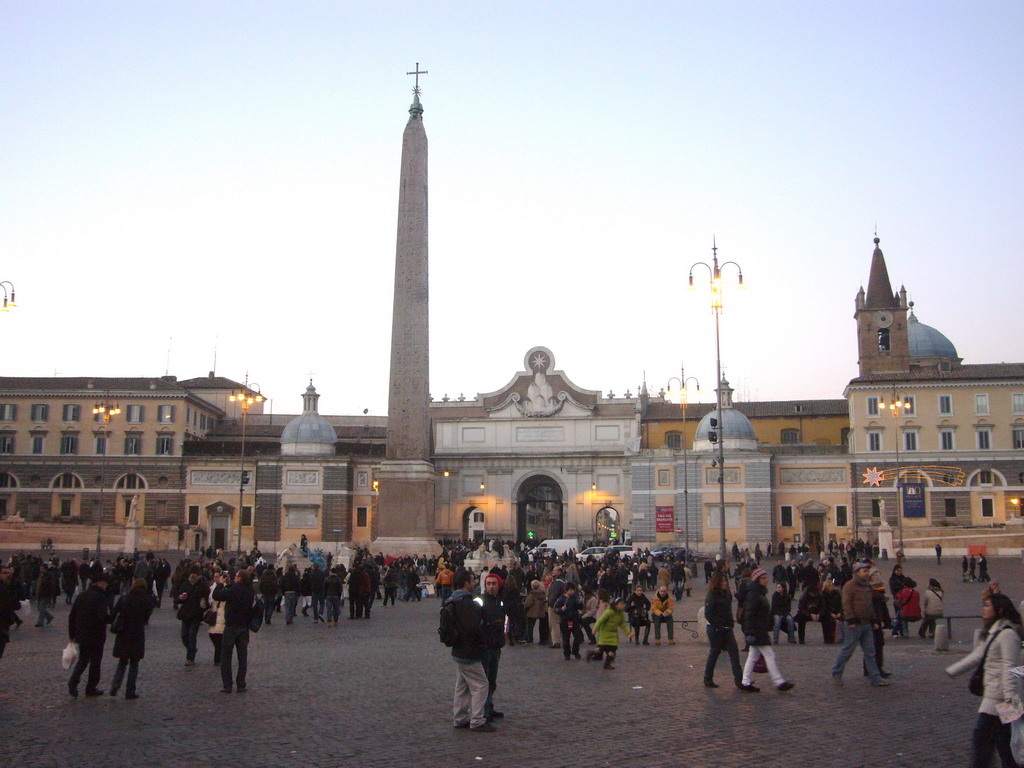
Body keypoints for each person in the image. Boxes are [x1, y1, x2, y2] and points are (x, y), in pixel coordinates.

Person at [945, 593, 1022, 768]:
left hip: (1000, 700)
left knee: (984, 743)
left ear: (999, 610)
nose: (984, 609)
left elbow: (1010, 669)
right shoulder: (995, 631)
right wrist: (953, 670)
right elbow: (978, 655)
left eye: (988, 606)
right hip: (996, 698)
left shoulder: (1007, 634)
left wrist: (1011, 703)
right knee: (1005, 747)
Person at [447, 569, 493, 732]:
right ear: (466, 583)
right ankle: (477, 720)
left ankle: (459, 717)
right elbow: (472, 628)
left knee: (463, 685)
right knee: (481, 684)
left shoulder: (452, 599)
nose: (474, 583)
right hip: (469, 650)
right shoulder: (466, 602)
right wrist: (482, 642)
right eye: (472, 580)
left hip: (458, 649)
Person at [831, 562, 890, 687]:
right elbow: (846, 604)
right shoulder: (849, 586)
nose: (867, 573)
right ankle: (836, 673)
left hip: (867, 623)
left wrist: (874, 620)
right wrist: (850, 619)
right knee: (847, 650)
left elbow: (869, 605)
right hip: (854, 624)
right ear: (857, 572)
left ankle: (875, 677)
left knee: (870, 652)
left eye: (867, 571)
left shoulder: (867, 586)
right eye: (864, 571)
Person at [739, 569, 794, 693]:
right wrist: (750, 632)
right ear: (758, 580)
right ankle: (779, 682)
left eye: (766, 577)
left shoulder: (759, 593)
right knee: (769, 654)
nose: (766, 580)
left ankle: (745, 681)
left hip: (759, 628)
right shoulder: (754, 594)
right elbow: (749, 614)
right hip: (757, 630)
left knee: (752, 656)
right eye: (763, 578)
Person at [108, 578, 156, 699]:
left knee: (122, 661)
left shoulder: (124, 598)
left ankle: (115, 684)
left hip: (123, 632)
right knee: (134, 663)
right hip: (137, 633)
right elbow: (146, 618)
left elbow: (113, 614)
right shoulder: (147, 600)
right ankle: (130, 690)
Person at [68, 568, 111, 697]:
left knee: (83, 660)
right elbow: (102, 617)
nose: (107, 585)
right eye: (105, 583)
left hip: (82, 634)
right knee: (95, 662)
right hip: (96, 635)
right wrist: (113, 618)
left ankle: (73, 682)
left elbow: (72, 616)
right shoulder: (101, 598)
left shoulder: (82, 595)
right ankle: (91, 687)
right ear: (100, 583)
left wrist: (72, 635)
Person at [212, 568, 256, 693]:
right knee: (242, 657)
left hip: (231, 626)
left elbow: (217, 595)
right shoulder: (250, 591)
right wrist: (230, 584)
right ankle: (241, 684)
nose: (235, 578)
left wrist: (220, 583)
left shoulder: (234, 590)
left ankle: (227, 685)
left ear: (240, 578)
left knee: (226, 656)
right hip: (244, 627)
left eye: (237, 576)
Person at [703, 571, 744, 689]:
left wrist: (730, 622)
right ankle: (707, 678)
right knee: (714, 653)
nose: (725, 583)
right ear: (717, 583)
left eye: (725, 580)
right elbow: (708, 614)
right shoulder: (711, 595)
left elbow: (728, 610)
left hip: (727, 628)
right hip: (716, 629)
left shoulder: (727, 594)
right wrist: (718, 626)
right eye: (722, 581)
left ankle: (739, 680)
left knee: (734, 654)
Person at [479, 573, 506, 722]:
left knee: (492, 679)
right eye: (488, 583)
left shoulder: (499, 602)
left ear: (498, 585)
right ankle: (483, 710)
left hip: (496, 644)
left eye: (493, 583)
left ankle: (489, 706)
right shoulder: (480, 601)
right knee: (484, 679)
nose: (490, 586)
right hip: (485, 645)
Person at [588, 596, 632, 669]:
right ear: (616, 605)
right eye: (621, 604)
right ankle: (591, 653)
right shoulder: (609, 612)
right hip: (605, 633)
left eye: (623, 604)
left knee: (613, 650)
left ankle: (607, 664)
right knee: (602, 648)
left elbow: (623, 624)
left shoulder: (620, 614)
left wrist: (628, 632)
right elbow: (600, 620)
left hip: (613, 634)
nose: (623, 606)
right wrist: (595, 628)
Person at [176, 565, 207, 665]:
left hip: (196, 614)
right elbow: (178, 597)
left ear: (198, 574)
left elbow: (207, 598)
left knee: (192, 636)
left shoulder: (203, 585)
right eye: (191, 573)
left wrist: (204, 602)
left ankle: (190, 658)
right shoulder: (186, 584)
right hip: (185, 613)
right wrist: (180, 597)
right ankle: (192, 649)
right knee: (184, 636)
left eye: (194, 573)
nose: (192, 575)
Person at [553, 582, 585, 659]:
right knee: (566, 638)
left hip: (574, 620)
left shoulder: (575, 598)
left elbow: (580, 607)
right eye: (570, 590)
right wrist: (561, 609)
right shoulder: (561, 599)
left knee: (577, 637)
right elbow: (555, 608)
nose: (572, 592)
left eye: (573, 590)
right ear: (566, 590)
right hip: (565, 620)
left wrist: (580, 603)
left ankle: (575, 651)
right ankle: (567, 654)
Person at [0, 563, 22, 662]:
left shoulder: (5, 586)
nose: (7, 575)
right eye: (5, 573)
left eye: (8, 573)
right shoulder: (2, 588)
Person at [523, 580, 547, 644]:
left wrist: (525, 608)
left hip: (532, 612)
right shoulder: (542, 594)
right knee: (542, 626)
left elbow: (528, 603)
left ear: (532, 586)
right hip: (541, 611)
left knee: (530, 626)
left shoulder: (532, 594)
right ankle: (542, 640)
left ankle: (530, 639)